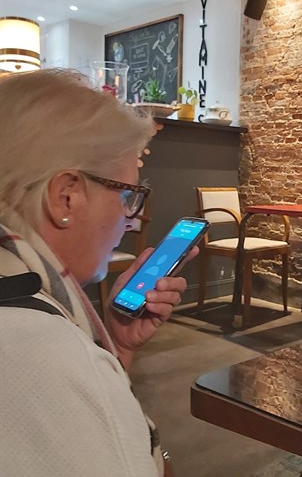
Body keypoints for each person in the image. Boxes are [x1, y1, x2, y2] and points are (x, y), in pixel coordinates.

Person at [0, 69, 196, 476]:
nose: (130, 219)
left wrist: (117, 348)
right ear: (66, 196)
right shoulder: (50, 357)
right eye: (126, 195)